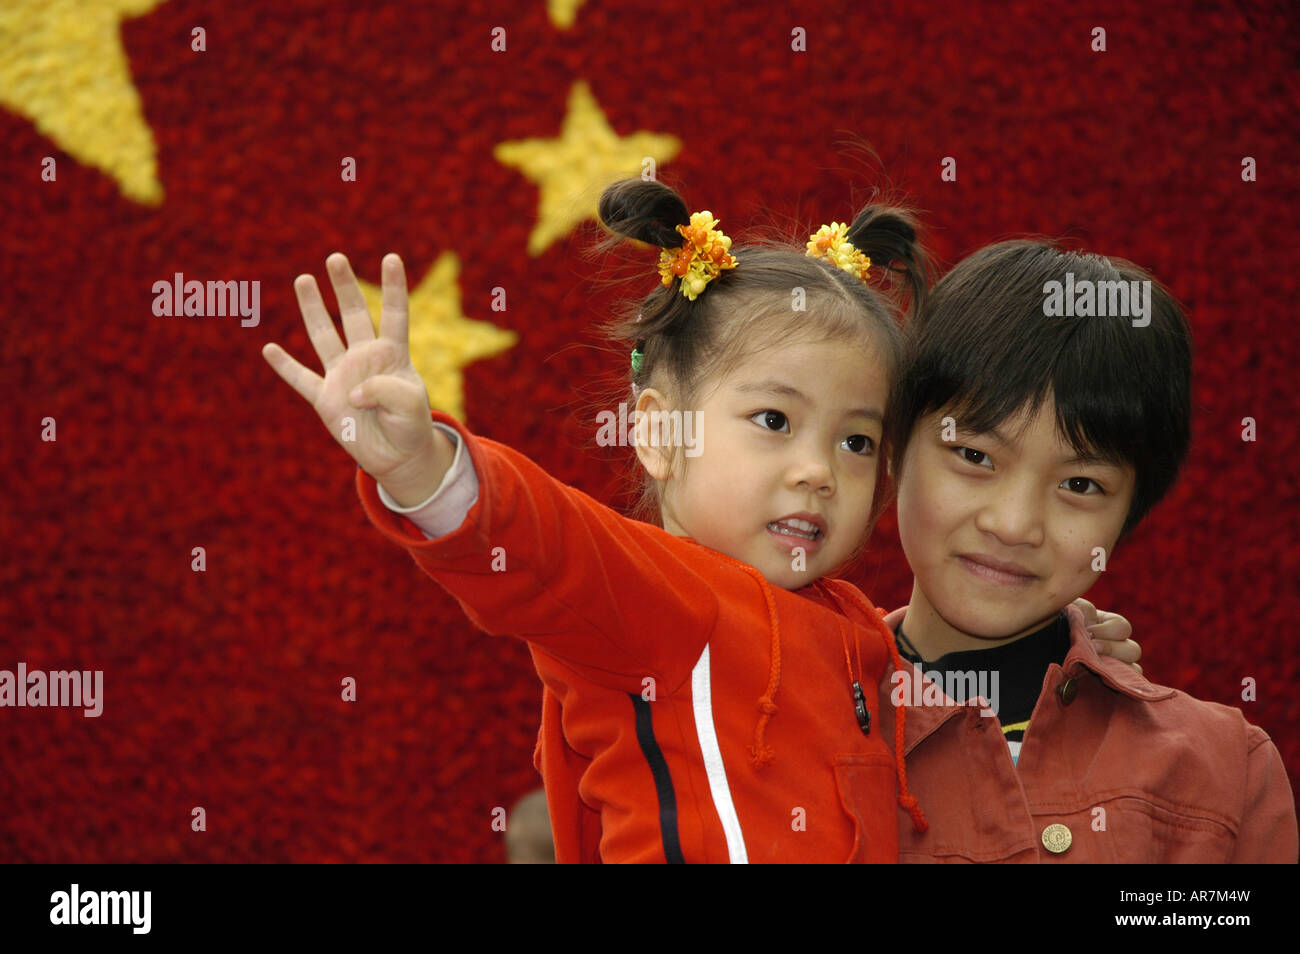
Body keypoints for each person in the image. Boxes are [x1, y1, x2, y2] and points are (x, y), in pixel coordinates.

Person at [261, 181, 1136, 863]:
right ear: (655, 431)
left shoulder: (861, 636)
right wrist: (421, 466)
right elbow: (536, 542)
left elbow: (951, 699)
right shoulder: (649, 593)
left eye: (859, 440)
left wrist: (1071, 648)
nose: (817, 472)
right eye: (773, 421)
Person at [875, 239, 1298, 862]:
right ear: (892, 448)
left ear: (1131, 513)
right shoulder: (788, 722)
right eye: (974, 456)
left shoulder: (1226, 772)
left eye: (1080, 485)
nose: (1015, 524)